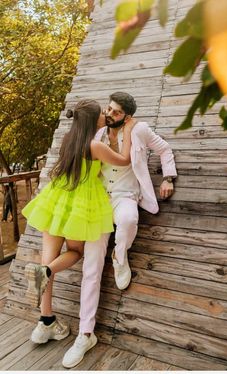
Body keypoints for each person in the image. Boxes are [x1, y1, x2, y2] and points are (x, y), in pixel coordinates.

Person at [62, 92, 177, 368]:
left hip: (126, 195)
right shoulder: (98, 131)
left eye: (115, 112)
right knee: (91, 267)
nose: (109, 114)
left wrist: (168, 177)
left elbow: (165, 149)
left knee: (127, 220)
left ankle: (120, 256)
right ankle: (85, 334)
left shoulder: (140, 129)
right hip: (98, 200)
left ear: (127, 115)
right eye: (108, 109)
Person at [22, 99, 135, 345]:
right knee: (74, 251)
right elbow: (125, 160)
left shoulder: (67, 141)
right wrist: (126, 128)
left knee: (46, 257)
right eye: (102, 113)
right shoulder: (95, 146)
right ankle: (47, 272)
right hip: (80, 203)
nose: (106, 114)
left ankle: (45, 322)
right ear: (94, 120)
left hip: (56, 197)